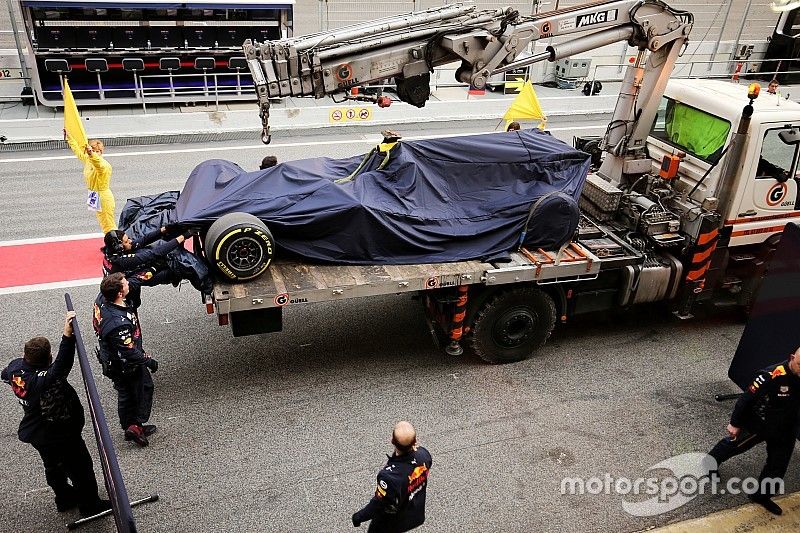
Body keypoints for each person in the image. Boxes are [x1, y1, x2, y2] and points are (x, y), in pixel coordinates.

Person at [1, 312, 111, 516]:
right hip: (57, 433)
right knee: (80, 467)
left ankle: (64, 498)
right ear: (47, 358)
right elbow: (61, 366)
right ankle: (90, 505)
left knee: (53, 467)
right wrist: (67, 336)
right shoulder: (41, 381)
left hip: (37, 432)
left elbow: (5, 374)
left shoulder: (16, 368)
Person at [708, 346, 800, 515]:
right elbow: (746, 399)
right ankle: (710, 462)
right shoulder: (771, 375)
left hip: (787, 429)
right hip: (761, 423)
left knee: (777, 466)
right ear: (792, 357)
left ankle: (761, 496)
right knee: (735, 446)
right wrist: (734, 423)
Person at [93, 273, 159, 447]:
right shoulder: (118, 322)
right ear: (119, 294)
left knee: (128, 393)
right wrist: (148, 361)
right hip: (124, 365)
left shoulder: (104, 296)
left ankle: (133, 425)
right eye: (125, 284)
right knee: (139, 390)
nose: (128, 283)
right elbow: (128, 351)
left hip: (115, 359)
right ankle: (134, 426)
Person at [352, 421, 432, 532]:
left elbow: (379, 503)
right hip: (413, 514)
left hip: (391, 522)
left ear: (392, 441)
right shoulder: (424, 455)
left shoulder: (389, 477)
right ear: (415, 441)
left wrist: (359, 517)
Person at [102, 227, 189, 305]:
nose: (130, 241)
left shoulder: (111, 250)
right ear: (119, 247)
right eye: (126, 241)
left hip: (121, 280)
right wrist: (182, 237)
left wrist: (163, 229)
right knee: (165, 273)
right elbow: (153, 254)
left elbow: (142, 241)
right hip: (125, 288)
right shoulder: (122, 260)